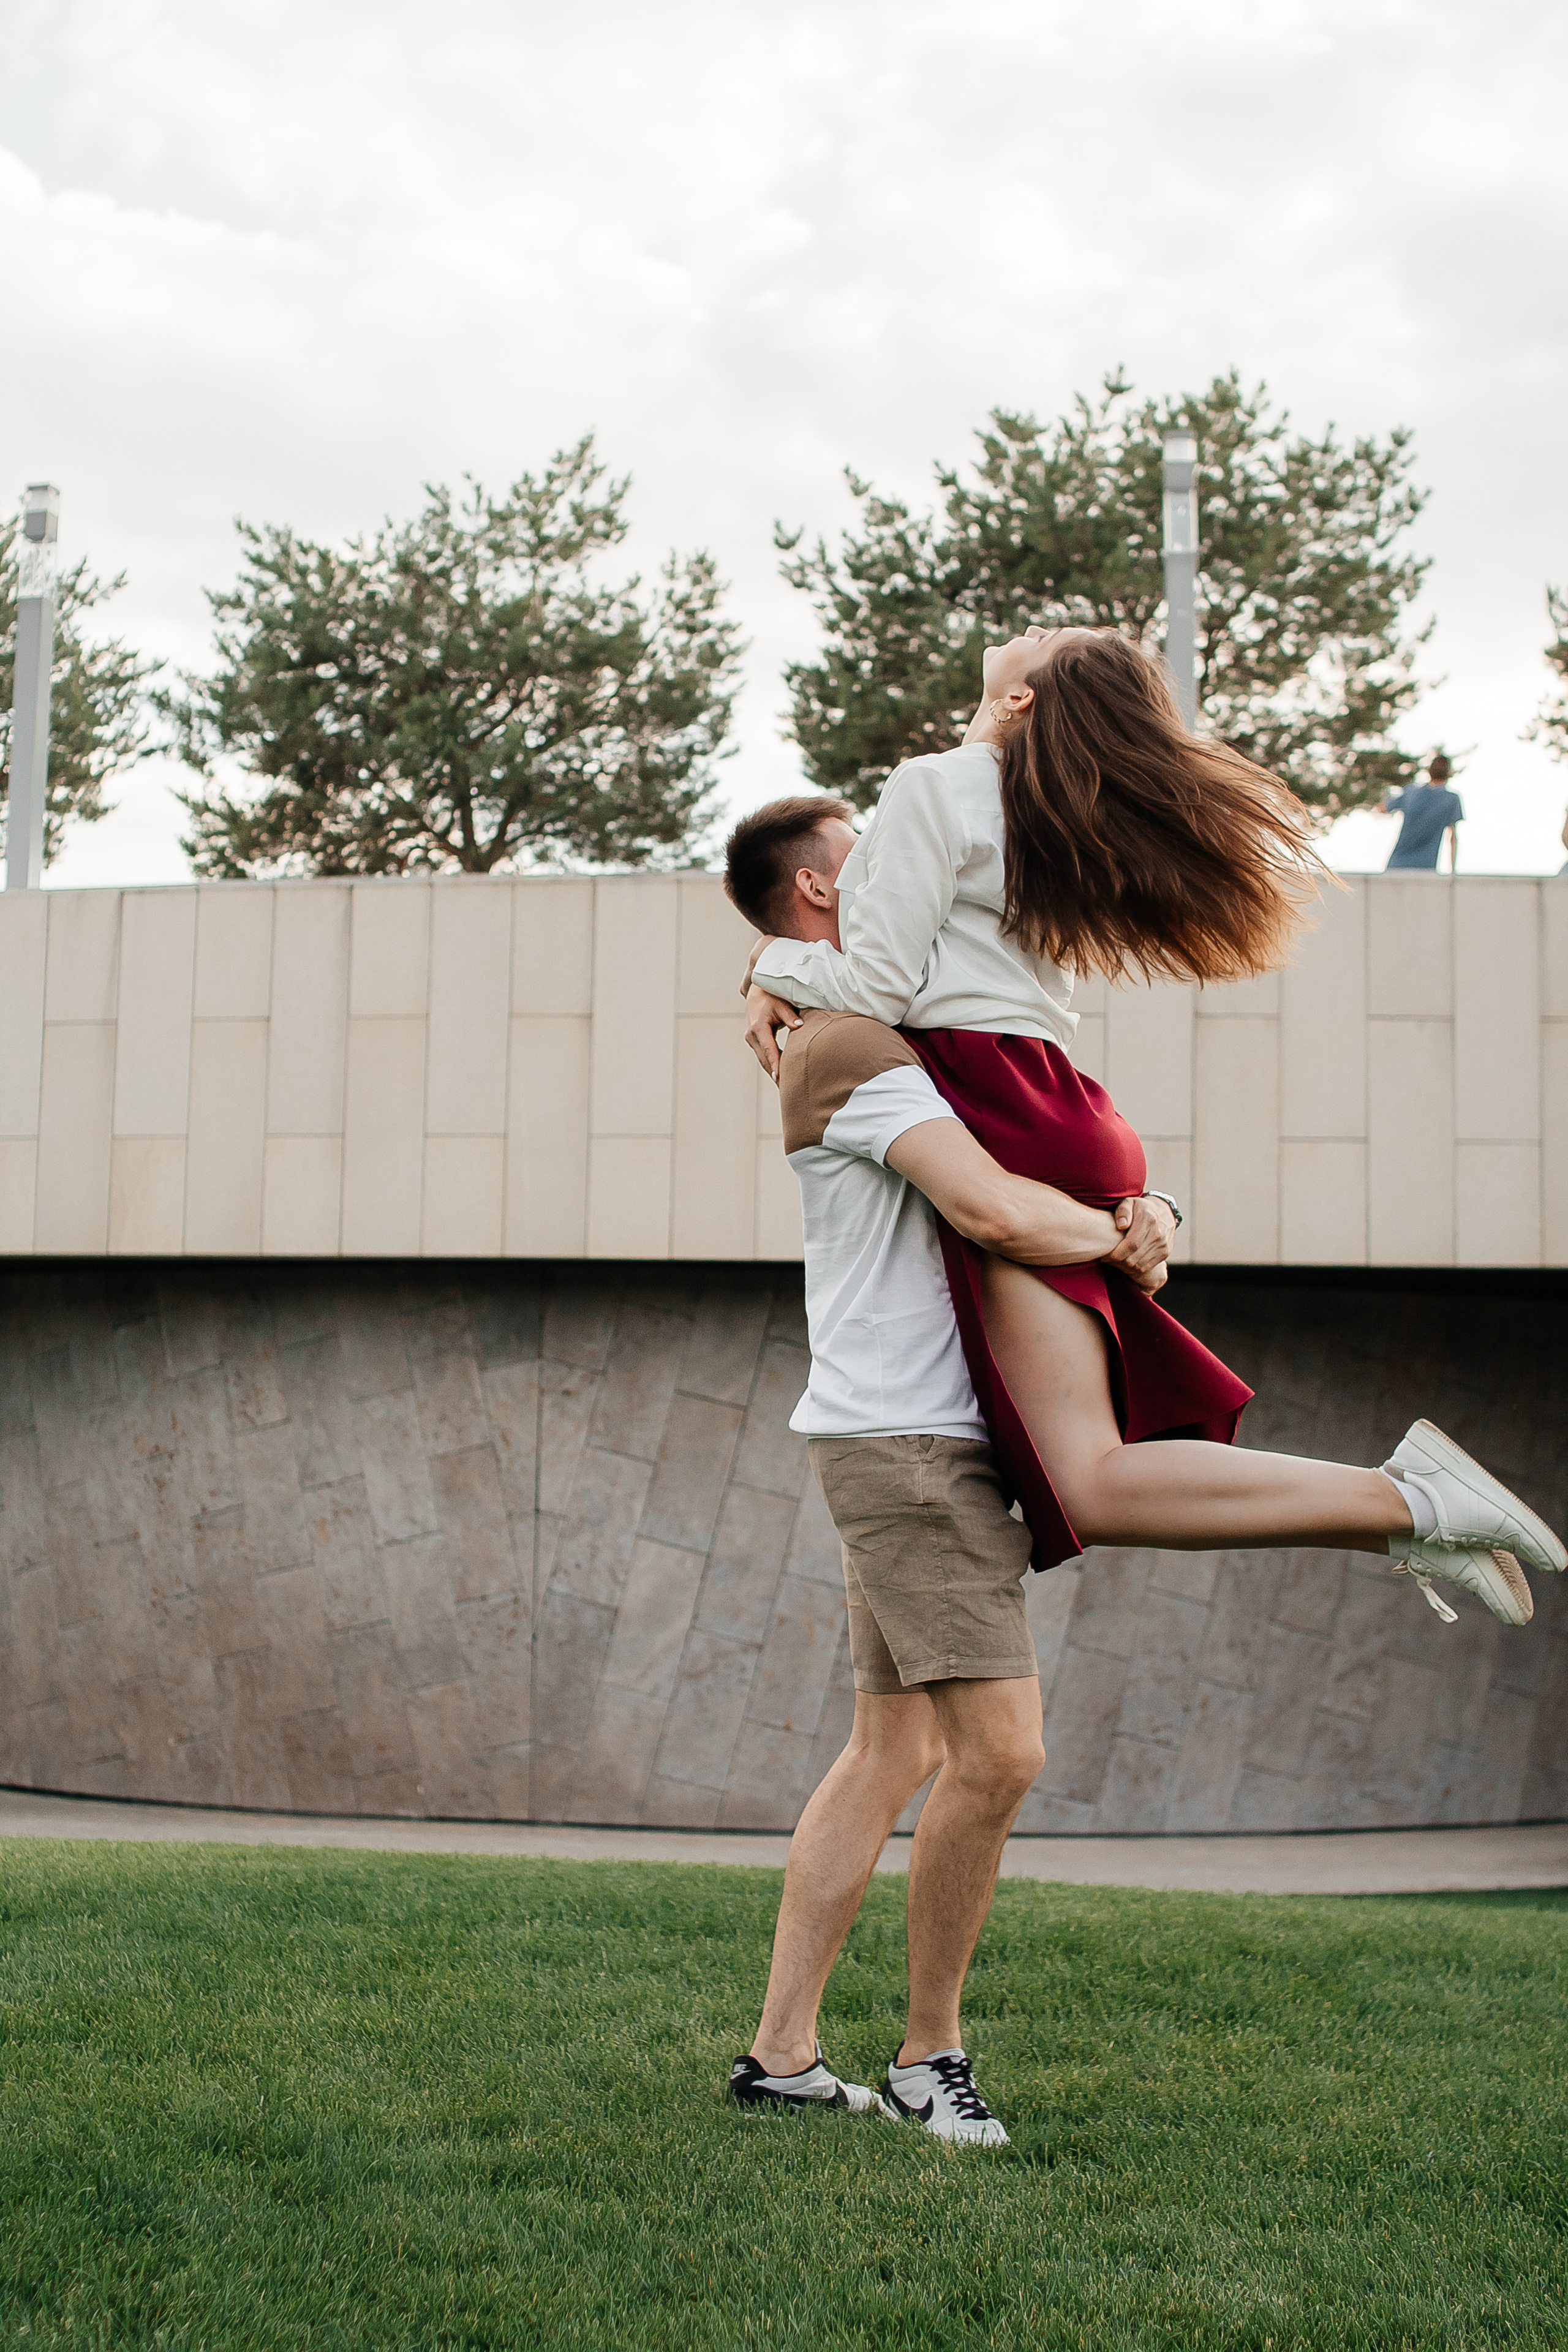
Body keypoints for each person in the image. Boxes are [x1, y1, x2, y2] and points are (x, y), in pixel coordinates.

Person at [718, 787, 1565, 2148]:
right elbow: (992, 1205)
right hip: (911, 1449)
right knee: (1000, 1754)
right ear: (821, 894)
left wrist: (1150, 1203)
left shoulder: (838, 1007)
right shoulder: (843, 1045)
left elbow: (996, 1115)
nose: (903, 878)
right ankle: (930, 2058)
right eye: (867, 864)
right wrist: (1127, 1232)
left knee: (891, 1750)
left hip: (912, 1436)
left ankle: (779, 2060)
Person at [737, 634, 1565, 1626]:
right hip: (1060, 1105)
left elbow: (876, 981)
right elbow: (932, 878)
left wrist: (772, 965)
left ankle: (1412, 1501)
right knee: (1093, 1473)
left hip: (996, 1104)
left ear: (1031, 697)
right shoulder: (1035, 806)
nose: (1029, 631)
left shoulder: (939, 787)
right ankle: (1403, 1518)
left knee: (1093, 1480)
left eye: (1046, 640)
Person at [1381, 753, 1463, 872]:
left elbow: (1384, 808)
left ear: (1429, 772)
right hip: (1426, 868)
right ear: (1449, 774)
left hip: (1397, 865)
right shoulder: (1451, 800)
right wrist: (1453, 871)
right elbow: (1452, 838)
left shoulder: (1411, 792)